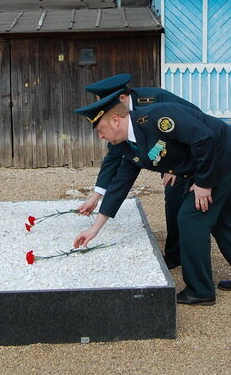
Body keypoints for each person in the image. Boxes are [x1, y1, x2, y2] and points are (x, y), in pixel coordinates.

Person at [72, 92, 231, 306]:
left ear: (115, 120)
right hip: (209, 162)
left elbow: (204, 138)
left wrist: (204, 183)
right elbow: (121, 183)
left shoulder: (159, 117)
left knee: (190, 218)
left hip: (225, 155)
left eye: (100, 130)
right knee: (223, 222)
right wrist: (95, 229)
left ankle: (200, 290)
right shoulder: (127, 145)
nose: (100, 136)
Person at [77, 73, 199, 269]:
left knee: (182, 201)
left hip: (194, 153)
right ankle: (176, 254)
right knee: (174, 200)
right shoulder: (119, 119)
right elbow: (115, 157)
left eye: (108, 104)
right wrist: (96, 195)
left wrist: (179, 164)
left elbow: (194, 123)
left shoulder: (156, 100)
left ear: (123, 99)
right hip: (166, 156)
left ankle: (182, 256)